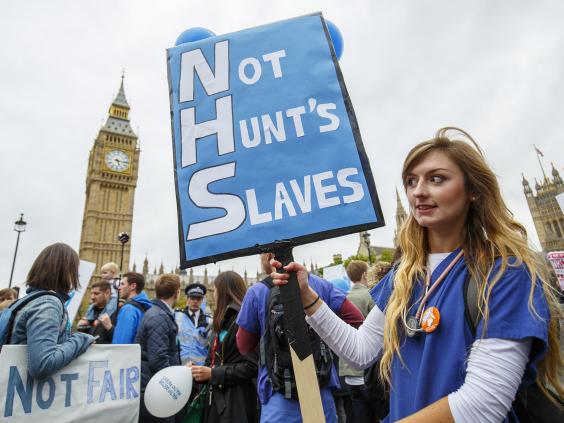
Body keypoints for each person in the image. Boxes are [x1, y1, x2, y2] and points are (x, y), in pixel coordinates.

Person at [271, 127, 563, 422]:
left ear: (473, 190)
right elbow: (360, 352)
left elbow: (481, 406)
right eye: (412, 181)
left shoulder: (505, 275)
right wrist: (308, 297)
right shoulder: (404, 275)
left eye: (437, 179)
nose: (418, 190)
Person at [236, 252, 365, 423]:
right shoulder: (319, 285)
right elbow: (356, 319)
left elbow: (243, 346)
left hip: (278, 395)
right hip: (321, 390)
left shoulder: (258, 292)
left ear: (269, 256)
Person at [8, 243, 95, 379]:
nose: (76, 277)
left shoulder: (24, 302)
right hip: (25, 393)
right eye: (74, 271)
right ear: (64, 271)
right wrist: (81, 339)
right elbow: (42, 365)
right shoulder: (48, 304)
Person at [190, 271, 259, 423]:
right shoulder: (223, 320)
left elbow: (252, 366)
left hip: (237, 403)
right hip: (217, 400)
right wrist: (197, 371)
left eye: (214, 290)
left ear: (223, 292)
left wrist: (213, 374)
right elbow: (214, 361)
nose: (213, 294)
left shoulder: (243, 320)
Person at [137, 274, 182, 423]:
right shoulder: (159, 317)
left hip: (152, 386)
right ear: (177, 292)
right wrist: (177, 379)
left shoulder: (157, 313)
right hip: (156, 390)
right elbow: (158, 359)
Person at [338, 261, 379, 423]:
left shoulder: (343, 298)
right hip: (369, 372)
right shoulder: (371, 295)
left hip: (348, 372)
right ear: (364, 275)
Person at [175, 282, 213, 365]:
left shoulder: (209, 321)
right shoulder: (177, 316)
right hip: (180, 366)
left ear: (202, 300)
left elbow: (212, 346)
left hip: (201, 369)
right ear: (187, 299)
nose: (195, 301)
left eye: (198, 298)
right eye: (192, 298)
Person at [112, 272, 152, 344]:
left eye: (122, 284)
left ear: (133, 286)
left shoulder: (128, 309)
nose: (119, 288)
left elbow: (121, 343)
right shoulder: (145, 306)